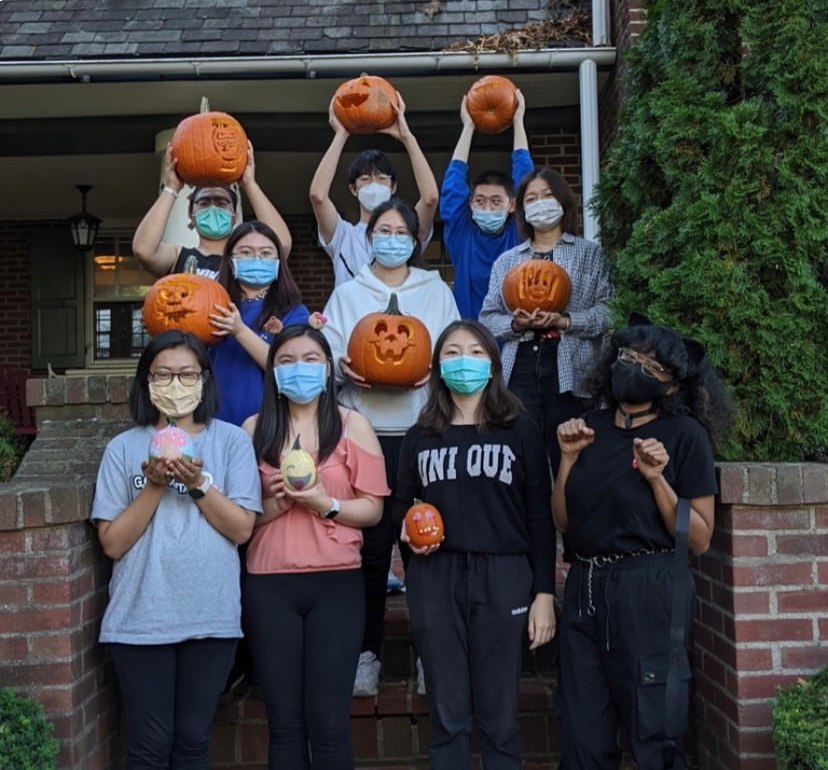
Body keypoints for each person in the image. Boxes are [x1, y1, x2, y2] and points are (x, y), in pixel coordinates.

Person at [552, 318, 732, 768]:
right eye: (629, 358)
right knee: (582, 732)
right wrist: (568, 460)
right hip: (586, 584)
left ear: (672, 387)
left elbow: (699, 538)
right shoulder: (585, 429)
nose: (635, 368)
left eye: (652, 366)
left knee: (655, 727)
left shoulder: (684, 435)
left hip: (649, 585)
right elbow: (564, 523)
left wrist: (658, 481)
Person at [90, 330, 261, 769]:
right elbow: (112, 542)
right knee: (149, 744)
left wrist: (199, 484)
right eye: (162, 374)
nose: (175, 383)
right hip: (140, 620)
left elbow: (242, 529)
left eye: (187, 373)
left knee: (192, 741)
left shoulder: (231, 442)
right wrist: (155, 485)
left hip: (211, 617)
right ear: (146, 381)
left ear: (205, 379)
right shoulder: (124, 448)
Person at [392, 319, 556, 768]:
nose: (463, 361)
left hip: (504, 575)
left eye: (475, 352)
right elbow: (400, 506)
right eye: (452, 353)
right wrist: (404, 533)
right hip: (436, 577)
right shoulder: (419, 436)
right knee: (448, 714)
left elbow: (540, 516)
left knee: (500, 715)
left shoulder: (520, 430)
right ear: (437, 366)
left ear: (493, 364)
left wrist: (543, 592)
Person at [322, 197, 460, 696]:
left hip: (425, 432)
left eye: (403, 232)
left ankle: (431, 653)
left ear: (415, 240)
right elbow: (333, 353)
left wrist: (436, 371)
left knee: (426, 546)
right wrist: (345, 368)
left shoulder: (435, 290)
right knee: (372, 550)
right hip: (366, 433)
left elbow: (452, 348)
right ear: (370, 236)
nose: (394, 239)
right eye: (384, 230)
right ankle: (366, 653)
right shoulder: (349, 292)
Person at [242, 324, 388, 769]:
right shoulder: (252, 429)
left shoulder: (352, 425)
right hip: (269, 585)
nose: (299, 369)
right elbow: (239, 519)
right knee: (284, 723)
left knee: (328, 722)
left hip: (336, 585)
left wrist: (325, 504)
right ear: (273, 372)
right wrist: (281, 503)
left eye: (310, 360)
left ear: (327, 368)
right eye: (286, 361)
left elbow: (373, 510)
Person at [479, 166, 612, 475]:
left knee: (575, 458)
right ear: (522, 208)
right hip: (522, 363)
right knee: (525, 458)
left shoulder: (589, 254)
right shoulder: (508, 261)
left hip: (572, 367)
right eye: (532, 198)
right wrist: (515, 324)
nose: (540, 203)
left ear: (563, 202)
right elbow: (487, 319)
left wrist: (567, 321)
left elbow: (608, 311)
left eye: (548, 195)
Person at [309, 92, 439, 286]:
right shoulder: (343, 235)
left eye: (381, 178)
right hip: (351, 317)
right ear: (353, 189)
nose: (374, 185)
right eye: (365, 179)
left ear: (393, 187)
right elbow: (317, 196)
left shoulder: (405, 232)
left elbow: (430, 198)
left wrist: (407, 138)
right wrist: (341, 134)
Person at [439, 88, 534, 320]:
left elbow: (525, 180)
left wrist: (518, 122)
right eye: (480, 201)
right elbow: (452, 187)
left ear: (512, 205)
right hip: (469, 338)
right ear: (470, 203)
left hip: (512, 339)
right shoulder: (461, 234)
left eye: (495, 201)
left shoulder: (519, 233)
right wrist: (468, 127)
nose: (487, 208)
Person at [132, 142, 293, 279]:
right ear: (191, 216)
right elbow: (143, 251)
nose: (213, 208)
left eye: (221, 202)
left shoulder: (246, 258)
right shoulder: (178, 256)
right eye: (204, 203)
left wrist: (249, 184)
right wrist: (171, 188)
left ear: (234, 216)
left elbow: (282, 245)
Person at [208, 220, 309, 427]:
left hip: (269, 425)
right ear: (230, 260)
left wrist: (239, 330)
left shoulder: (294, 312)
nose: (256, 259)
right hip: (216, 422)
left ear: (278, 261)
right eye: (245, 252)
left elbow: (286, 365)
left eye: (266, 253)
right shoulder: (213, 307)